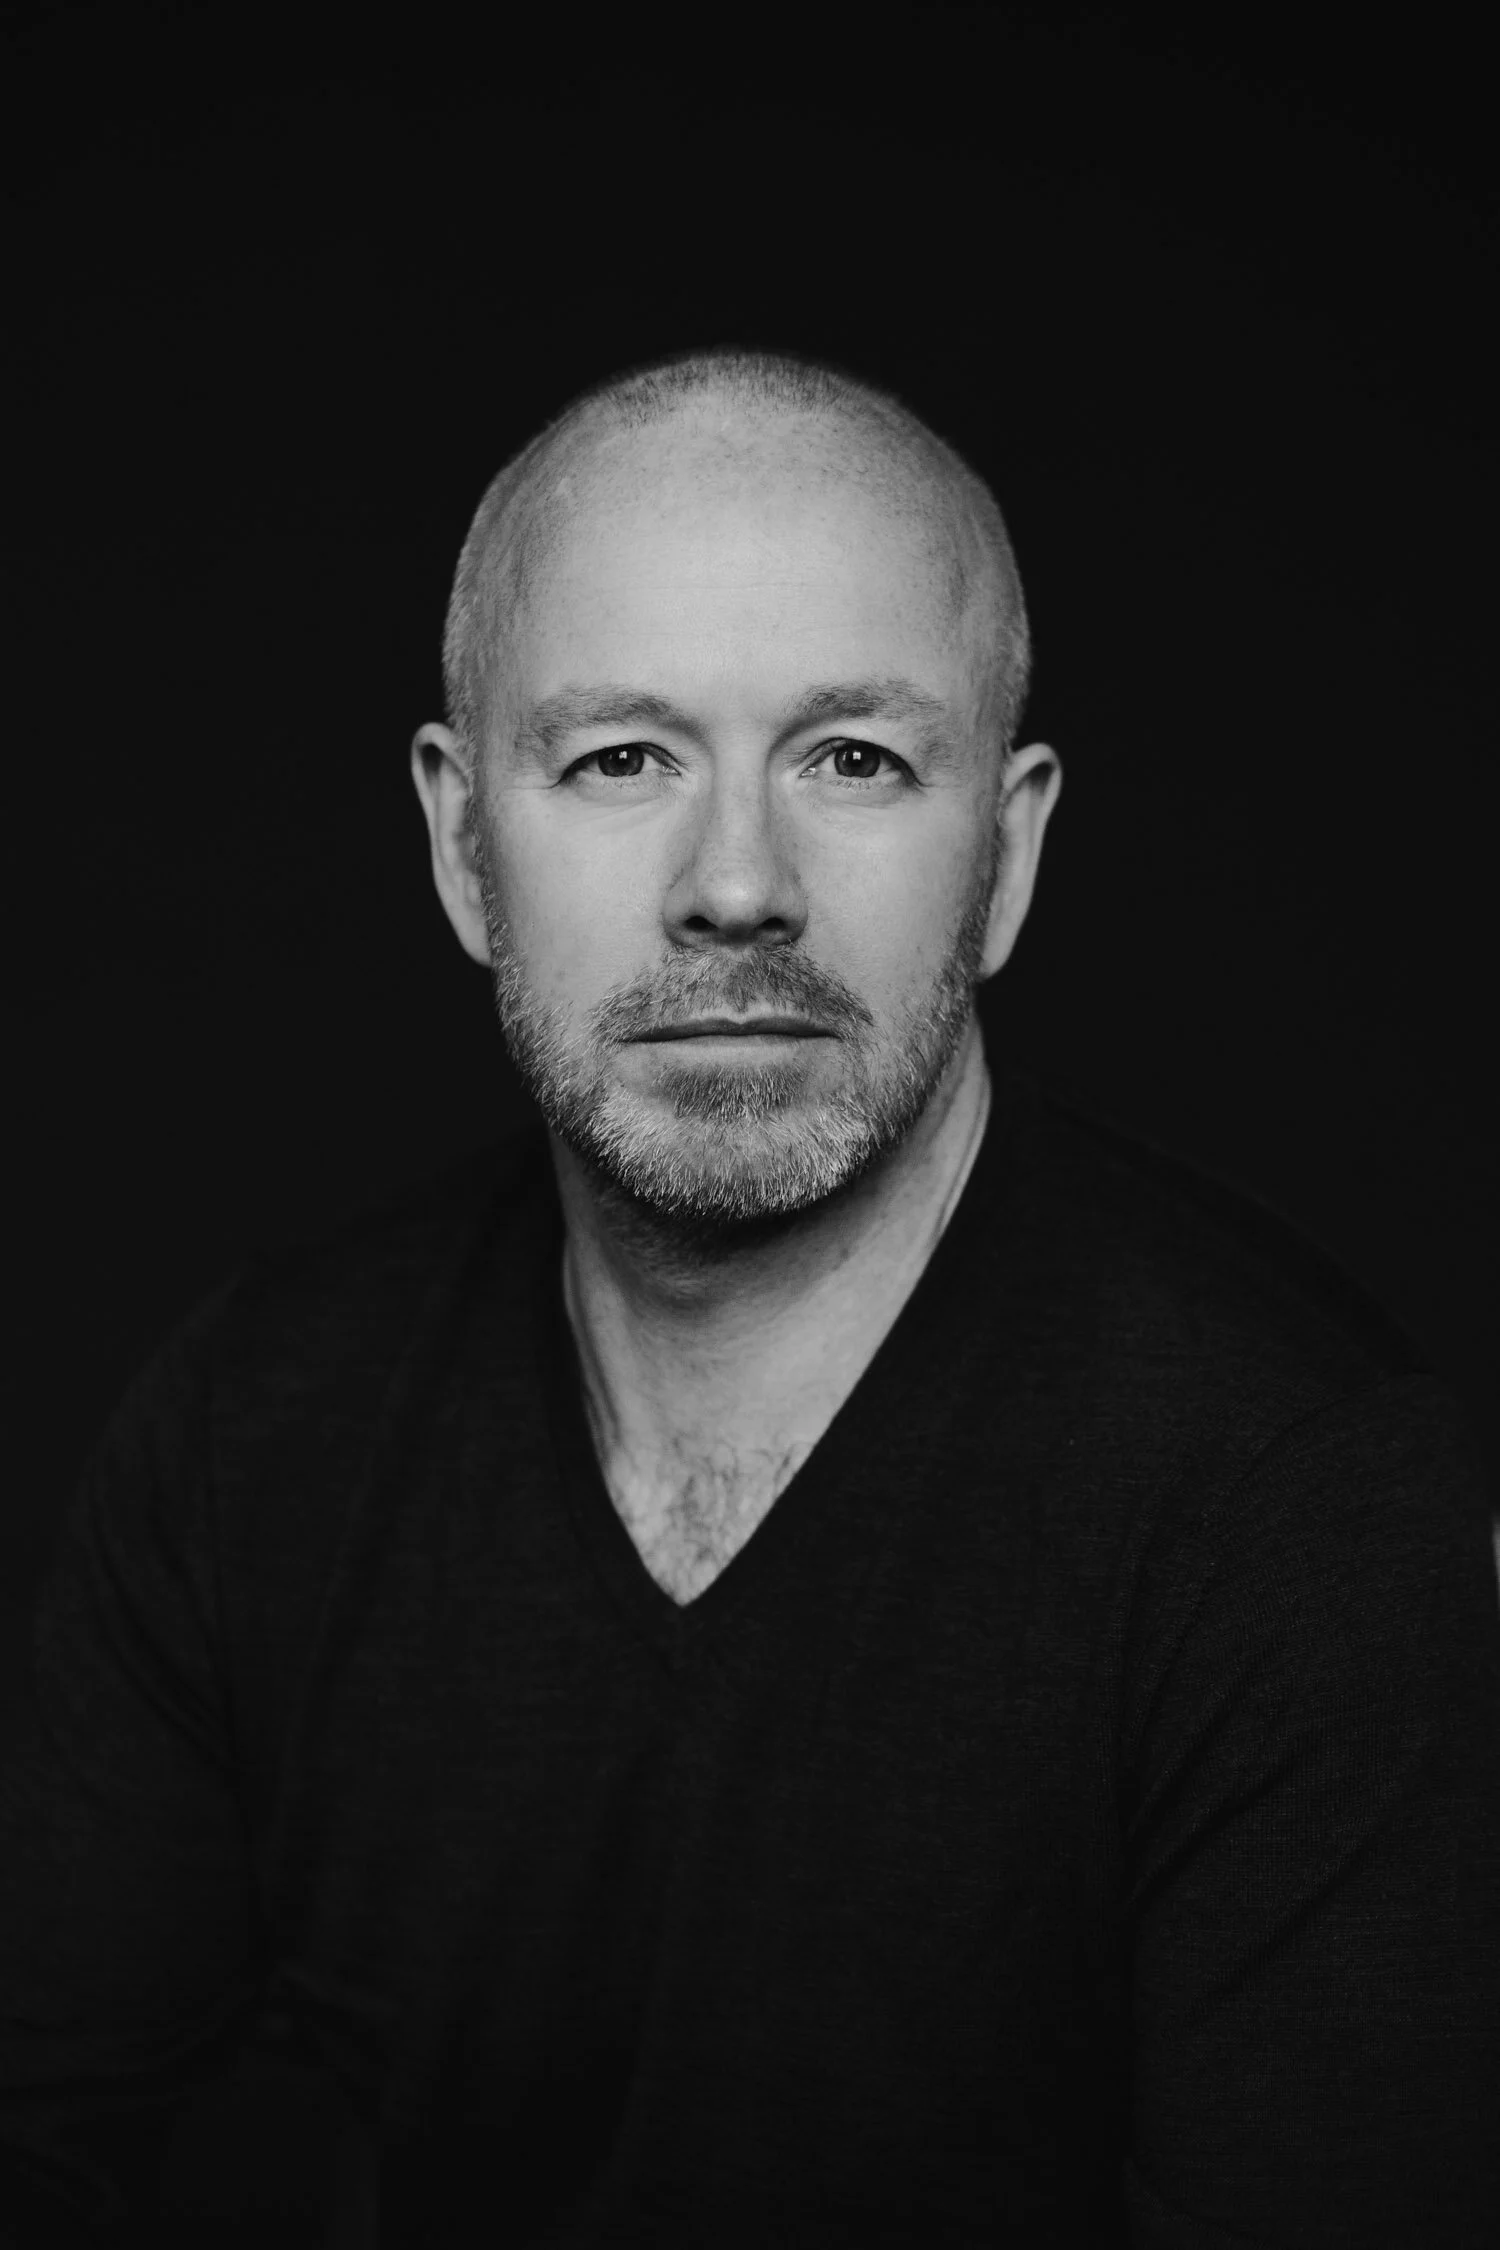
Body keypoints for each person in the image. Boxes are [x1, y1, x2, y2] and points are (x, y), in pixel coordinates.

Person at [3, 344, 1498, 2248]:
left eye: (853, 758)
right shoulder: (254, 1432)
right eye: (621, 757)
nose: (735, 886)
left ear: (1009, 853)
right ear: (460, 843)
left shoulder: (1302, 1507)